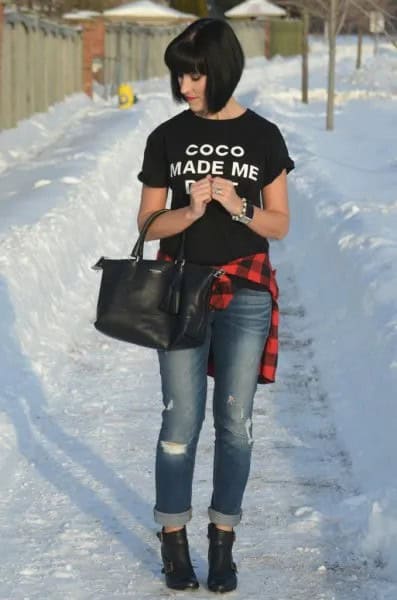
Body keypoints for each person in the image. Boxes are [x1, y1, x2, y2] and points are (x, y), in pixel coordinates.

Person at [137, 17, 294, 593]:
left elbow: (279, 223)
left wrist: (237, 206)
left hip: (246, 294)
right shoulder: (166, 137)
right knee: (179, 421)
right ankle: (172, 540)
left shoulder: (264, 135)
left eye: (195, 74)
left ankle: (222, 540)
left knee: (235, 423)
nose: (185, 86)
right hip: (180, 290)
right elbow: (148, 221)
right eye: (180, 75)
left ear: (222, 69)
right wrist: (190, 213)